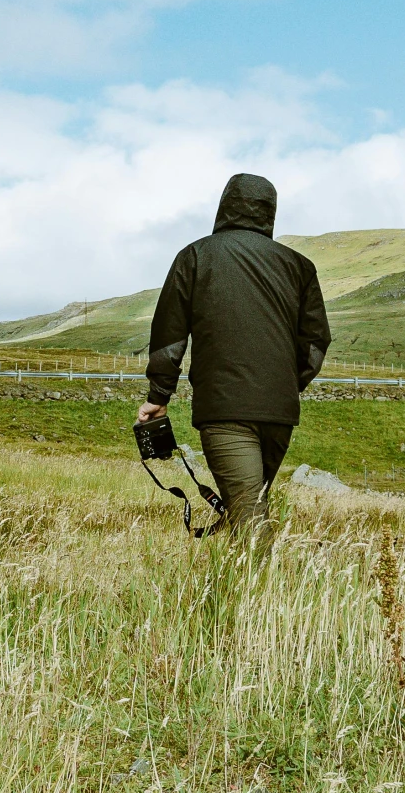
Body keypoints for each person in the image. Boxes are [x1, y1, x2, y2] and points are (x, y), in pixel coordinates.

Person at [137, 173, 330, 531]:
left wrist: (158, 395)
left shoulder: (195, 256)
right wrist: (284, 384)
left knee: (248, 518)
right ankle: (233, 584)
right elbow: (316, 343)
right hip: (278, 411)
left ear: (225, 205)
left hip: (225, 407)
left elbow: (169, 335)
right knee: (248, 507)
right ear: (270, 211)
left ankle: (261, 587)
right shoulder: (300, 266)